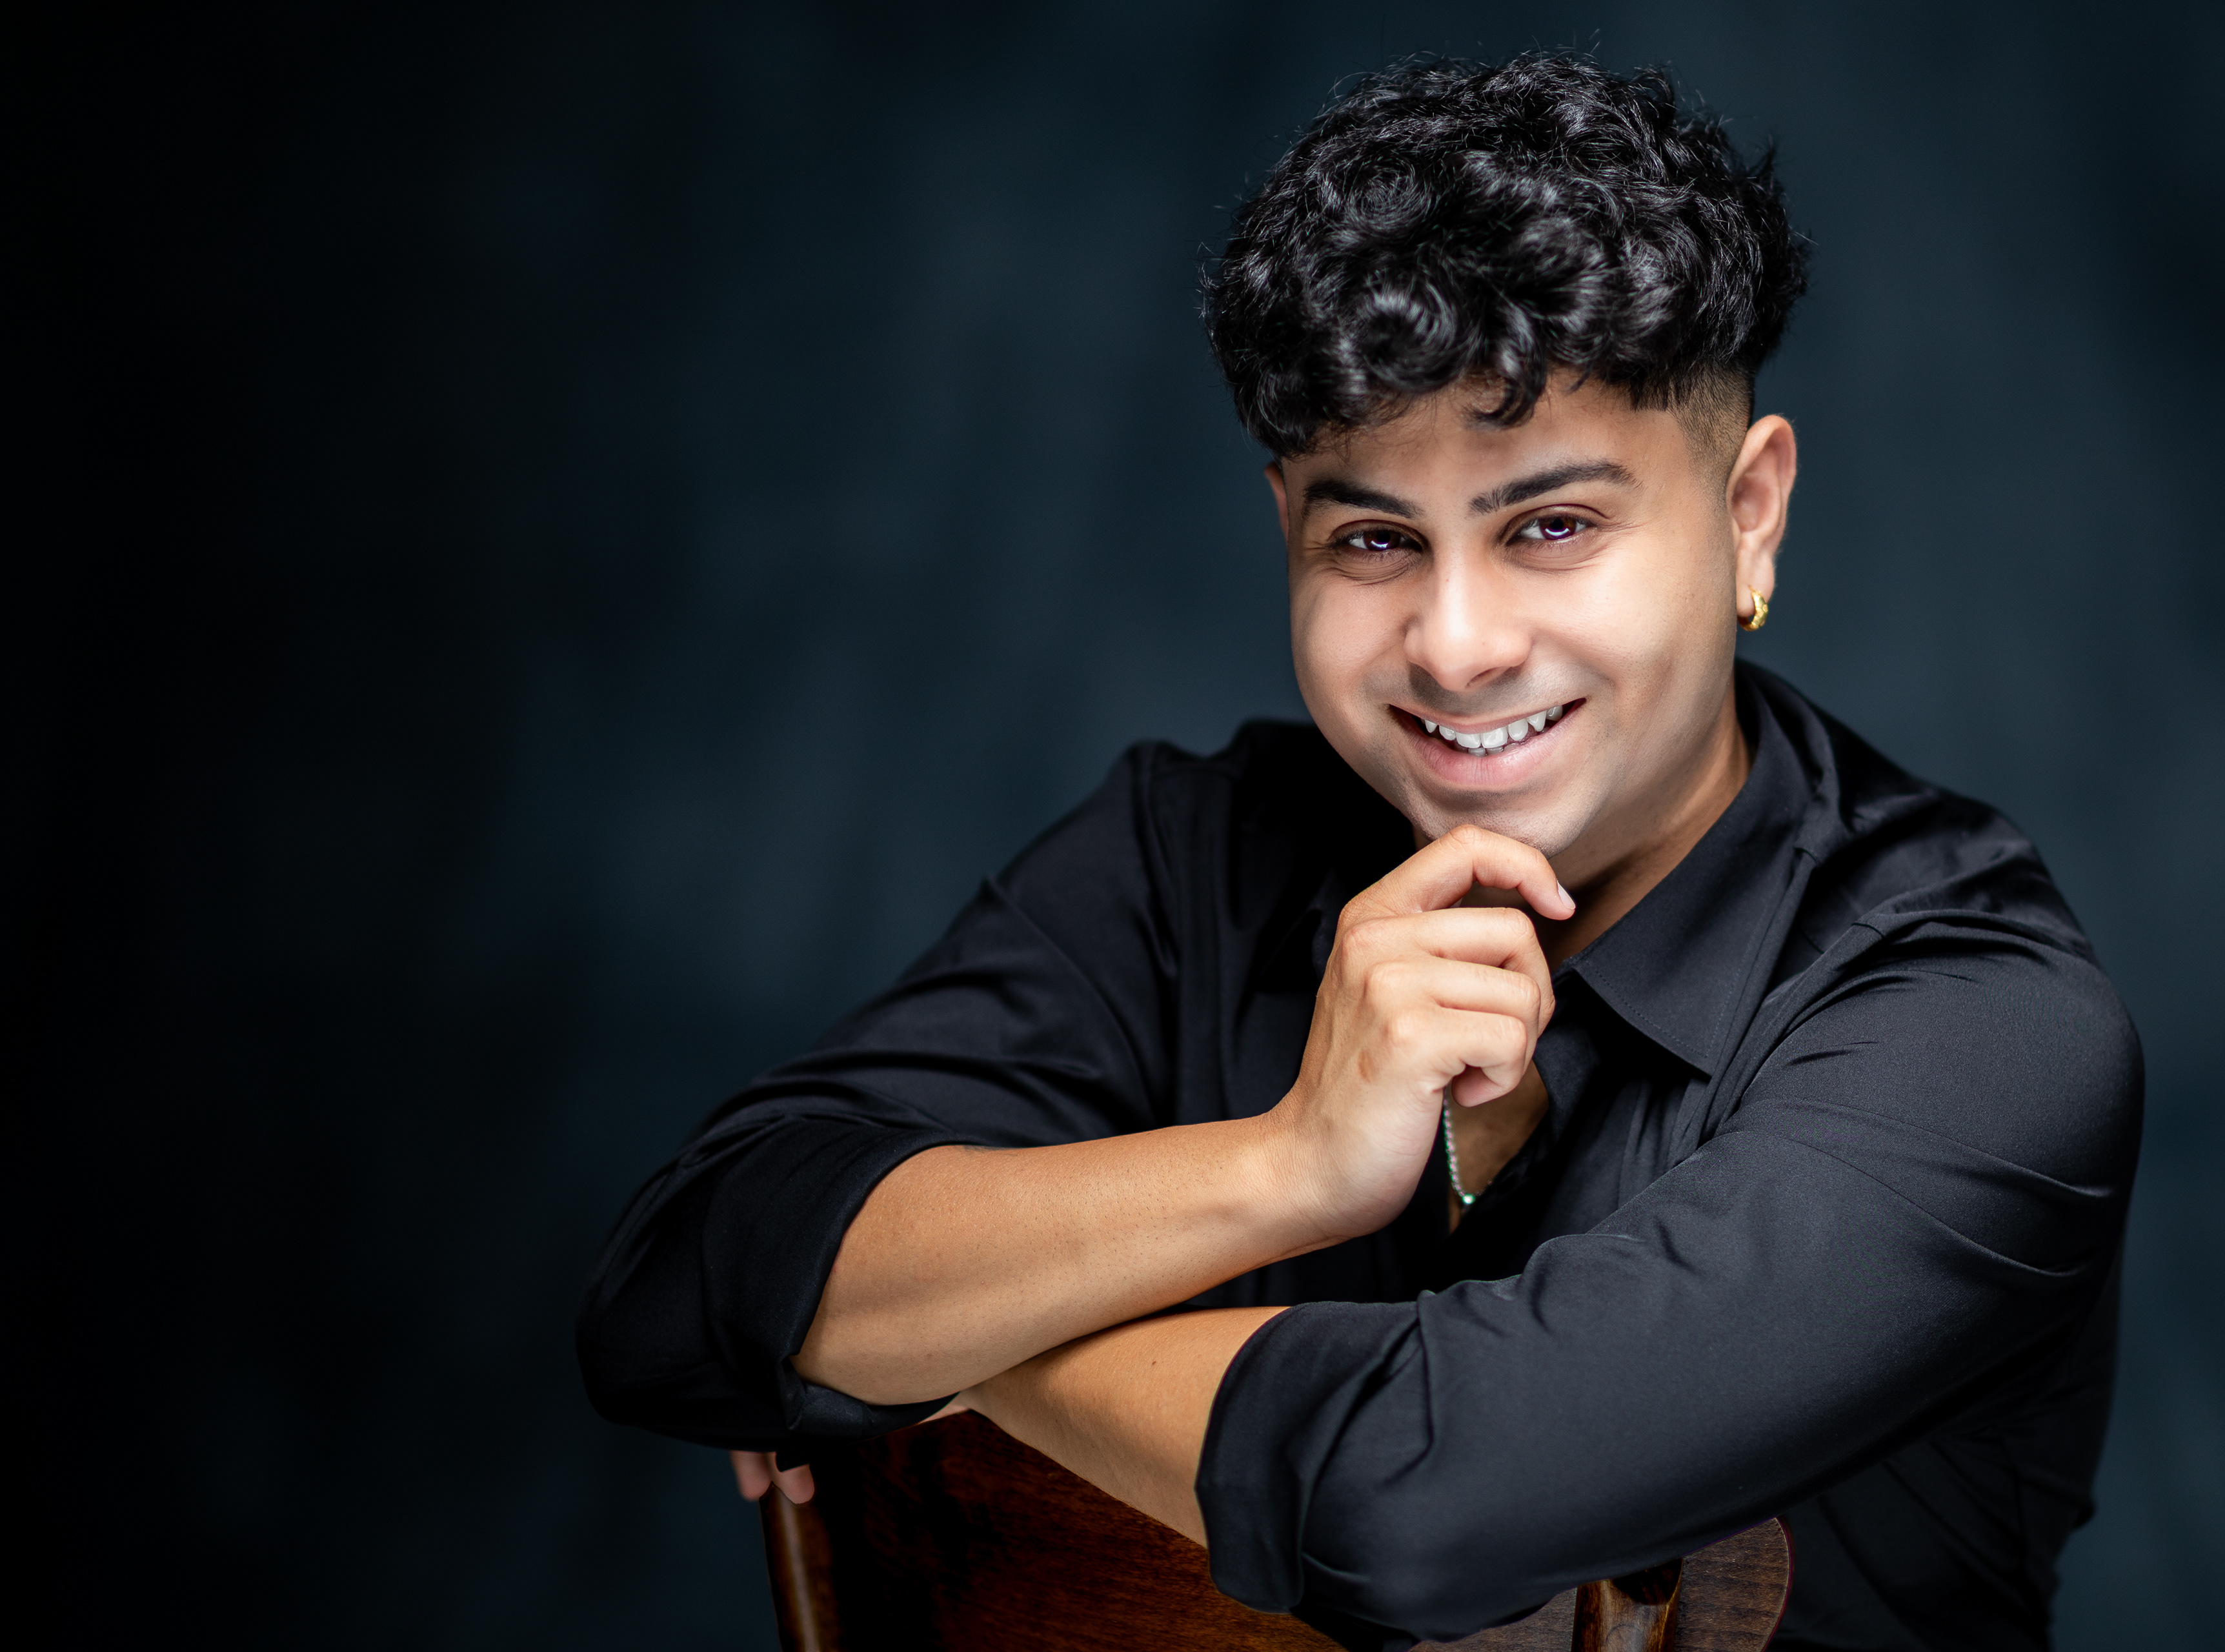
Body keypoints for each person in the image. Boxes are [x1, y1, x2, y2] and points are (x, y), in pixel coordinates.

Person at [577, 54, 2140, 1652]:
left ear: (1750, 513)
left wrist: (922, 1343)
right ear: (1288, 529)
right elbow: (680, 1281)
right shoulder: (1193, 857)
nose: (1455, 645)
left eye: (1551, 526)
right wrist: (1288, 1164)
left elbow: (1429, 1495)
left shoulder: (1984, 1022)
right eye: (1375, 539)